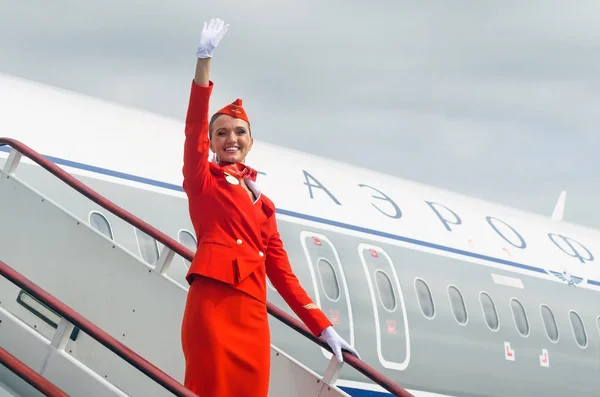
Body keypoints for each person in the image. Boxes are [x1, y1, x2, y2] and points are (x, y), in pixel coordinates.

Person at [180, 17, 360, 397]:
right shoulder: (203, 181)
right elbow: (194, 124)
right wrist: (204, 62)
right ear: (211, 143)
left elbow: (283, 274)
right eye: (221, 133)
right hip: (213, 304)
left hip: (252, 315)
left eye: (239, 131)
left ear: (251, 141)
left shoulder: (265, 206)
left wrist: (323, 327)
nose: (231, 138)